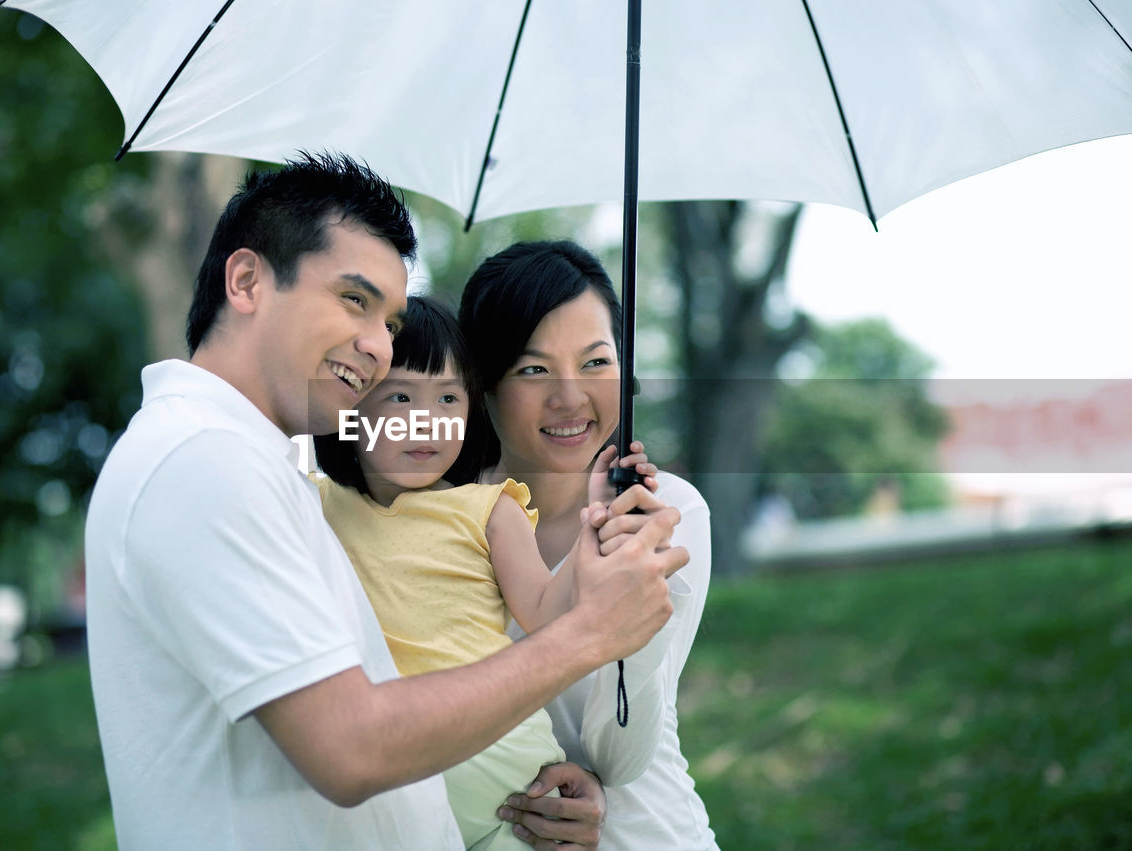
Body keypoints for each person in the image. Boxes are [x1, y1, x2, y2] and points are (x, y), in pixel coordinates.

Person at [82, 154, 687, 849]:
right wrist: (586, 634)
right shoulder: (201, 462)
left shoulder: (251, 463)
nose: (376, 345)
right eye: (354, 300)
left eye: (390, 320)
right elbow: (350, 746)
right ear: (246, 280)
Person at [316, 295, 605, 849]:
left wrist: (595, 529)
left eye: (449, 398)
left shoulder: (492, 507)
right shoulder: (317, 503)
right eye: (400, 396)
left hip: (510, 782)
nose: (429, 421)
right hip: (395, 779)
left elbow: (548, 616)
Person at [458, 240, 720, 849]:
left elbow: (621, 756)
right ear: (483, 383)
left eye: (597, 362)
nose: (570, 397)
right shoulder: (445, 518)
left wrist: (638, 578)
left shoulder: (670, 511)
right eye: (533, 369)